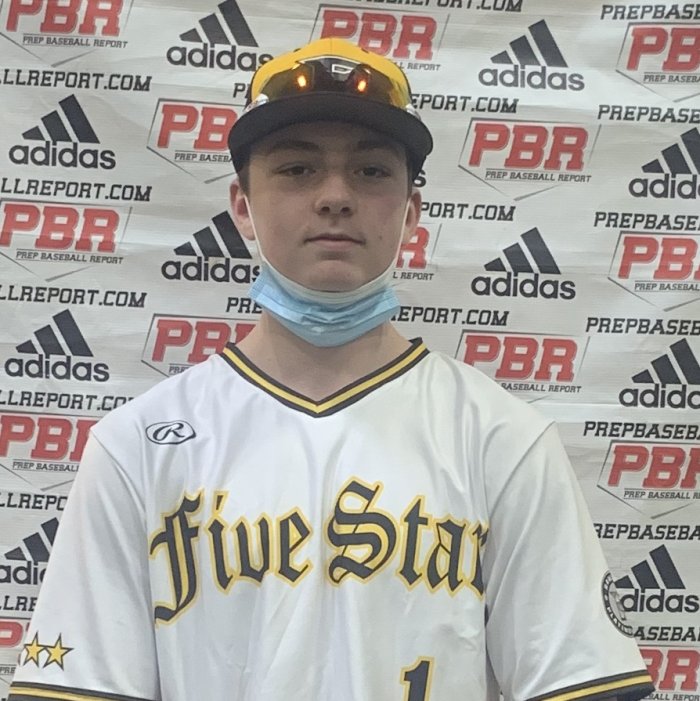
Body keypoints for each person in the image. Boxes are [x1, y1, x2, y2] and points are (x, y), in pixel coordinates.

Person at [9, 38, 654, 701]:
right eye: (297, 169)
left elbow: (581, 684)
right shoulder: (139, 444)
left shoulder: (500, 438)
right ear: (241, 205)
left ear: (411, 212)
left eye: (371, 171)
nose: (336, 197)